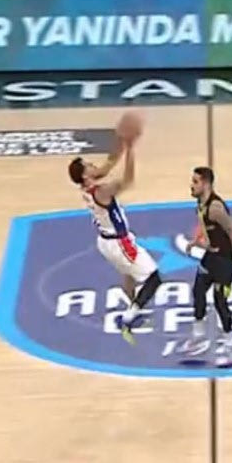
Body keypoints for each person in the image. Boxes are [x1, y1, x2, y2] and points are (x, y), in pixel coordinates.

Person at [68, 122, 161, 345]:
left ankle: (132, 308)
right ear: (85, 175)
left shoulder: (87, 187)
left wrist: (121, 142)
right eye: (88, 165)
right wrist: (130, 150)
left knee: (128, 275)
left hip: (105, 242)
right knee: (154, 279)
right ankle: (129, 318)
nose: (93, 164)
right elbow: (128, 180)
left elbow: (107, 166)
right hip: (119, 243)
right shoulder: (101, 191)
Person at [180, 166, 232, 367]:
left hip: (225, 260)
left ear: (206, 184)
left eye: (195, 182)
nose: (191, 185)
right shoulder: (201, 204)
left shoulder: (216, 208)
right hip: (211, 256)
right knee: (198, 290)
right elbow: (205, 225)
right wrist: (196, 240)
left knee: (219, 301)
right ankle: (198, 336)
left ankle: (231, 346)